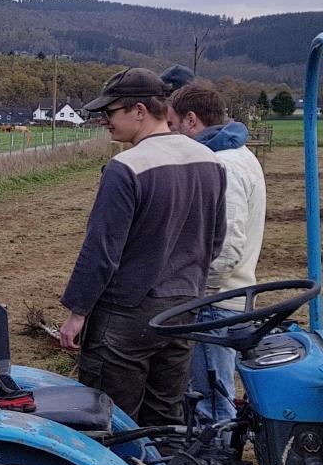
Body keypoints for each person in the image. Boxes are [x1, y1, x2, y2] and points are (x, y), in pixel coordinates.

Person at [58, 68, 227, 425]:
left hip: (127, 316)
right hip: (184, 309)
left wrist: (77, 313)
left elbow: (101, 251)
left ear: (139, 110)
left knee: (108, 420)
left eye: (110, 112)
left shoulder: (126, 167)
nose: (105, 121)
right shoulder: (210, 161)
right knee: (165, 416)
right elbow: (215, 239)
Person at [168, 81, 266, 423]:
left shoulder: (224, 164)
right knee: (209, 391)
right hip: (224, 297)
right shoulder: (238, 154)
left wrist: (198, 291)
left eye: (173, 125)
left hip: (215, 302)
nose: (171, 134)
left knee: (211, 397)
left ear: (191, 121)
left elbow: (227, 246)